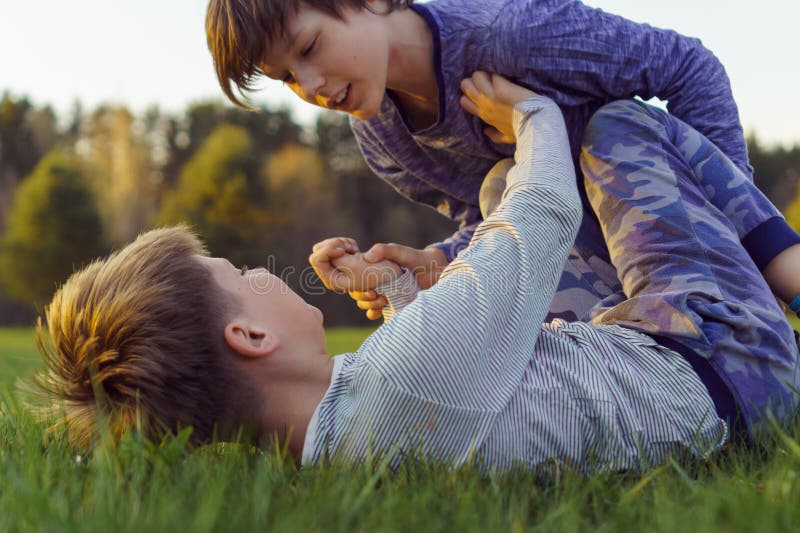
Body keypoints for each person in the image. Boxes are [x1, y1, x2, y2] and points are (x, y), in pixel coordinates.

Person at [34, 75, 797, 473]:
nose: (257, 271)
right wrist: (533, 115)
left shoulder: (346, 434)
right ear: (250, 333)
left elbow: (456, 388)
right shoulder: (409, 374)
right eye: (238, 271)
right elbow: (544, 213)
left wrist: (404, 288)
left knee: (495, 191)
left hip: (649, 363)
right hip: (727, 362)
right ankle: (787, 266)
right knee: (612, 130)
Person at [205, 0, 800, 323]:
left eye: (309, 48)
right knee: (497, 200)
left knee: (602, 132)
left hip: (665, 212)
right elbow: (491, 223)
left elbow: (691, 67)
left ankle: (765, 287)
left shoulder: (509, 34)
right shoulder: (382, 139)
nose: (310, 86)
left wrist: (729, 235)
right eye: (286, 78)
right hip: (598, 267)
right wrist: (432, 263)